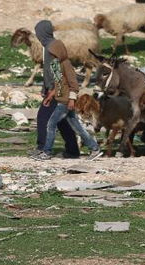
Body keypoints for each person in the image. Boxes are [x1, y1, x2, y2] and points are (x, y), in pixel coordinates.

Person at [30, 20, 103, 161]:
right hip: (61, 96)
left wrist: (53, 94)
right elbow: (55, 76)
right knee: (70, 124)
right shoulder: (57, 56)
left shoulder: (55, 56)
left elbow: (62, 79)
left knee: (48, 122)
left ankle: (45, 150)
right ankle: (80, 149)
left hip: (60, 97)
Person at [32, 21, 81, 159]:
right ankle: (73, 150)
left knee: (43, 118)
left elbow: (56, 72)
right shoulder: (53, 45)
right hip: (57, 89)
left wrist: (51, 91)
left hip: (56, 90)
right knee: (61, 121)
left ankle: (43, 148)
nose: (37, 35)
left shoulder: (50, 49)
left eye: (38, 32)